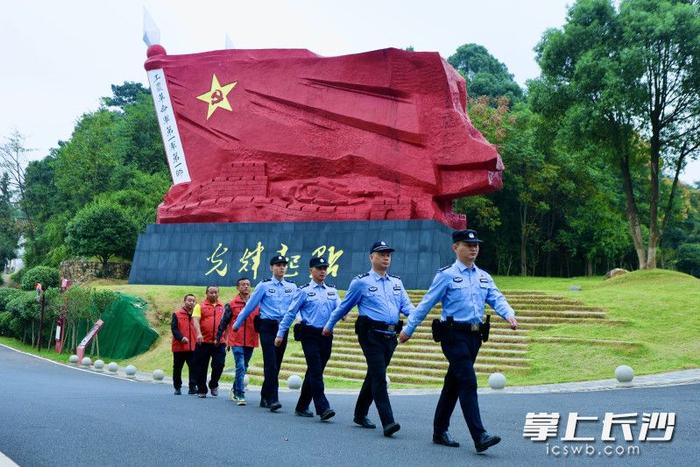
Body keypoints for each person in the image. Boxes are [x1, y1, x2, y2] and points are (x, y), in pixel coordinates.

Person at [399, 229, 518, 453]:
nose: (473, 249)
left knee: (453, 384)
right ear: (455, 248)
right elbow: (426, 303)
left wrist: (508, 314)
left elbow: (496, 297)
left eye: (476, 246)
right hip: (453, 336)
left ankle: (439, 430)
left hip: (474, 336)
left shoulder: (483, 276)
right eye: (468, 245)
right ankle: (479, 435)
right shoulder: (446, 275)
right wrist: (409, 328)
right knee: (468, 380)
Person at [323, 241, 414, 437]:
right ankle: (388, 422)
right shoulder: (361, 282)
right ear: (371, 257)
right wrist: (329, 326)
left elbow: (408, 308)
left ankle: (360, 413)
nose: (386, 257)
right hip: (370, 334)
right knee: (379, 376)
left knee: (374, 374)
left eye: (388, 254)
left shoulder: (396, 283)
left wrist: (412, 325)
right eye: (381, 254)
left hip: (390, 335)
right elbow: (343, 307)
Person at [275, 257, 337, 421]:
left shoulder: (332, 291)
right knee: (316, 371)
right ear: (311, 271)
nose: (322, 271)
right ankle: (323, 407)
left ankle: (302, 405)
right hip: (309, 334)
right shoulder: (303, 291)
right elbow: (290, 312)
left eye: (324, 268)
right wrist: (281, 333)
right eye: (319, 268)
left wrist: (342, 314)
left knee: (314, 371)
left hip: (326, 335)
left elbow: (340, 308)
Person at [234, 255, 298, 412]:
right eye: (278, 265)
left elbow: (296, 307)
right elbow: (250, 306)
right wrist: (237, 323)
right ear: (271, 267)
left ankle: (264, 395)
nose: (281, 267)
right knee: (270, 362)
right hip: (267, 327)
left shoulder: (292, 287)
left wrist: (301, 319)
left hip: (282, 328)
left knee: (277, 363)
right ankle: (273, 399)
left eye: (284, 265)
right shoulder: (264, 286)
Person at [216, 277, 259, 406]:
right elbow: (223, 322)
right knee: (240, 365)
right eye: (243, 284)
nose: (246, 286)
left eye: (248, 284)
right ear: (237, 287)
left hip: (251, 340)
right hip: (236, 340)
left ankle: (235, 388)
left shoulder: (256, 303)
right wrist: (218, 337)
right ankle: (239, 393)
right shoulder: (232, 304)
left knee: (244, 366)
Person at [192, 286, 227, 398]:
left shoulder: (223, 307)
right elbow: (196, 320)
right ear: (206, 293)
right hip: (203, 342)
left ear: (218, 294)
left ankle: (213, 383)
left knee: (219, 364)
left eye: (215, 292)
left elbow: (227, 324)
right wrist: (198, 333)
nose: (213, 294)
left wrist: (226, 338)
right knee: (201, 367)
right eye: (211, 292)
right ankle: (202, 389)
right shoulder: (199, 306)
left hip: (219, 342)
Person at [171, 293, 198, 395]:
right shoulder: (177, 314)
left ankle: (192, 387)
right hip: (179, 347)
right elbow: (174, 329)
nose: (191, 302)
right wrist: (181, 338)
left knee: (193, 367)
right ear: (184, 301)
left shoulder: (197, 315)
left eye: (193, 301)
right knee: (177, 368)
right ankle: (177, 387)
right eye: (189, 300)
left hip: (192, 347)